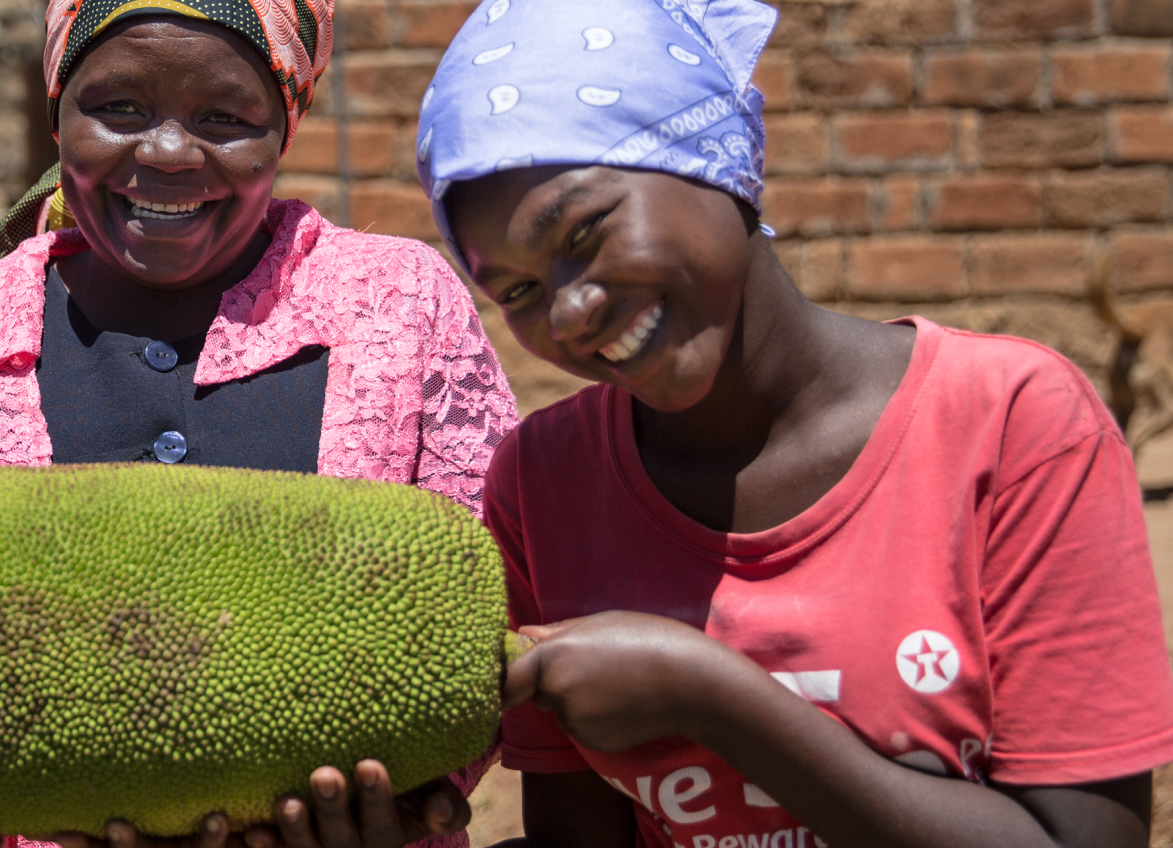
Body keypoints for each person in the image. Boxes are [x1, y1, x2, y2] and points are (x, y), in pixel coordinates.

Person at [416, 1, 1173, 846]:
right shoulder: (545, 484)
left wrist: (713, 697)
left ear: (712, 162)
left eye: (586, 233)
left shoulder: (1011, 425)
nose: (570, 311)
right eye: (516, 291)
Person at [0, 0, 517, 845]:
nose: (165, 152)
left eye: (225, 118)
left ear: (284, 126)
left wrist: (411, 792)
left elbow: (489, 597)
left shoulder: (401, 306)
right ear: (56, 111)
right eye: (117, 107)